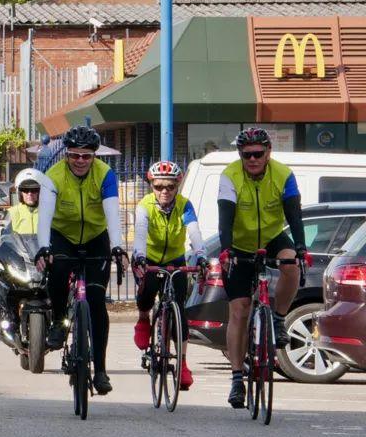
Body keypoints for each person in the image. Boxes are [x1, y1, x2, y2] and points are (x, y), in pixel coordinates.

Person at [217, 127, 307, 409]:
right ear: (240, 155)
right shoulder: (229, 176)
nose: (253, 159)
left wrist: (302, 248)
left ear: (269, 152)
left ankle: (279, 318)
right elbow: (225, 219)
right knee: (239, 310)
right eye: (247, 155)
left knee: (291, 263)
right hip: (240, 244)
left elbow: (294, 214)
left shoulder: (283, 174)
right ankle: (236, 378)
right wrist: (227, 250)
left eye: (258, 153)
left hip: (270, 237)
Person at [34, 125, 127, 395]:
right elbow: (44, 217)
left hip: (96, 237)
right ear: (66, 155)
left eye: (86, 156)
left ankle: (100, 370)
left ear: (95, 156)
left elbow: (112, 212)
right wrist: (43, 248)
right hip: (63, 235)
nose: (80, 161)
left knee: (97, 302)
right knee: (59, 269)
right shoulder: (53, 176)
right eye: (74, 155)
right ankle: (59, 321)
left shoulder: (105, 175)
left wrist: (119, 246)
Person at [131, 161, 206, 390]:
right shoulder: (144, 205)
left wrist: (201, 254)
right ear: (151, 186)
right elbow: (141, 232)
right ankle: (144, 319)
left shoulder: (184, 205)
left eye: (170, 187)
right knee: (146, 295)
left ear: (177, 186)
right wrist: (140, 256)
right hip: (150, 258)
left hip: (175, 260)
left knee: (179, 312)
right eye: (159, 186)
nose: (164, 191)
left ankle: (182, 363)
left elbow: (193, 230)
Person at [0, 168, 43, 338]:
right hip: (21, 261)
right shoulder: (13, 212)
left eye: (34, 190)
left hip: (43, 262)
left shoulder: (49, 212)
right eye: (26, 190)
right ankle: (6, 319)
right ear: (20, 193)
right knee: (3, 282)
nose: (30, 194)